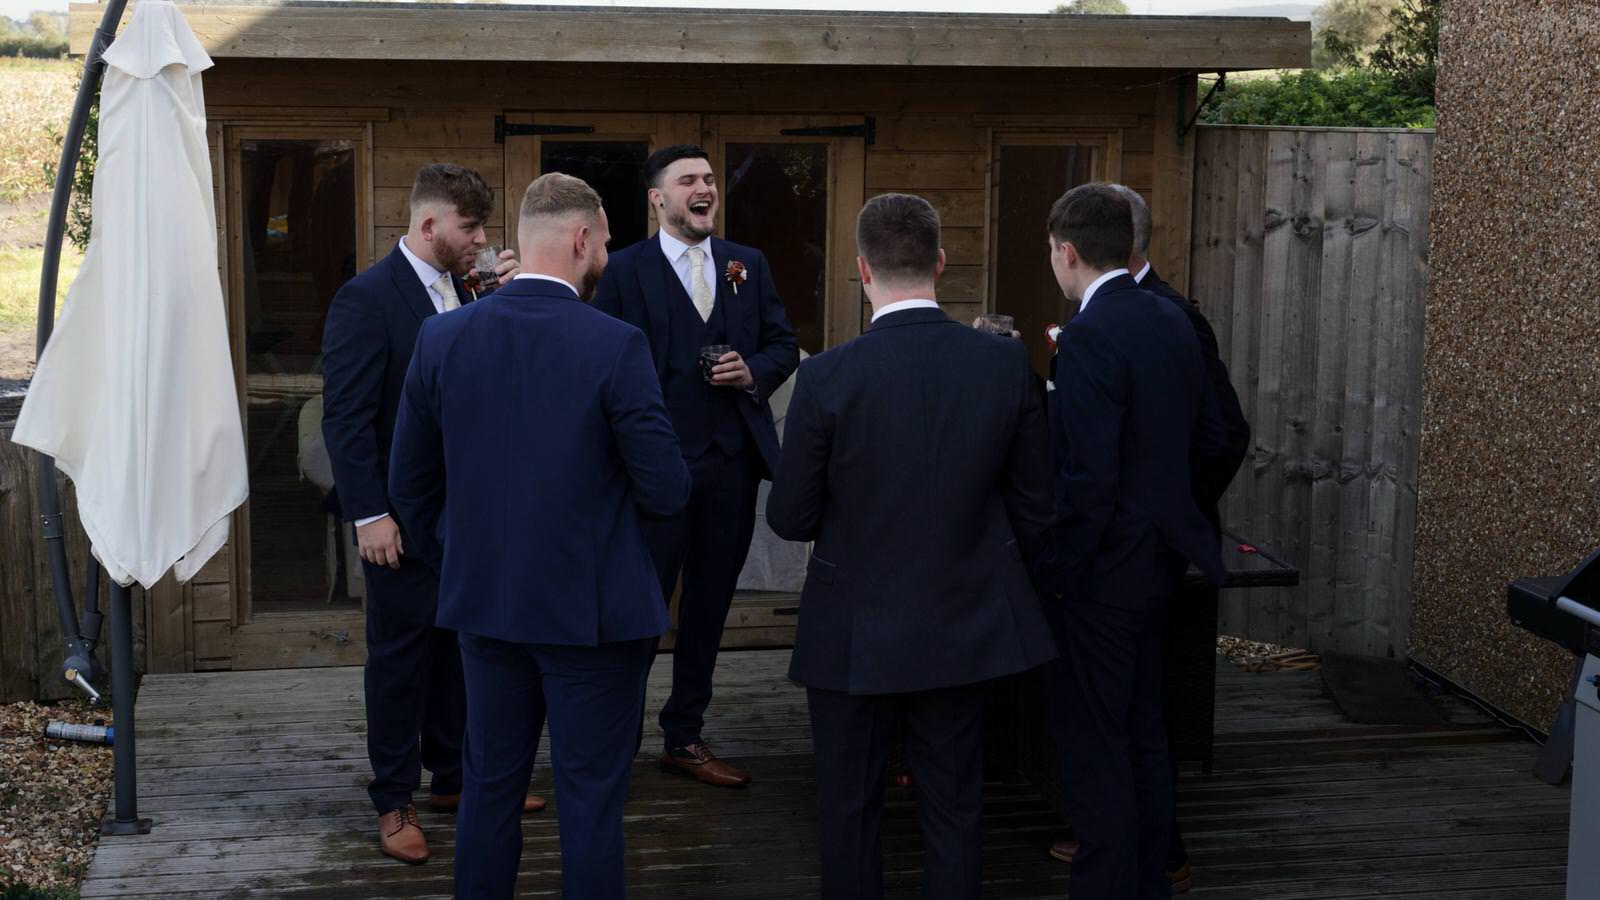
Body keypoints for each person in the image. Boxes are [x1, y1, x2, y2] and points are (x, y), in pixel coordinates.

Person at [388, 172, 691, 899]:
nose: (609, 257)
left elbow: (410, 485)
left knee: (489, 790)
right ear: (582, 239)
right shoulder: (617, 345)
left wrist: (463, 557)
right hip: (595, 618)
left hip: (486, 607)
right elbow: (666, 490)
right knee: (591, 803)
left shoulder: (441, 337)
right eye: (608, 242)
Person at [767, 192, 1057, 900]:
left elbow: (791, 516)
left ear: (862, 271)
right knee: (955, 808)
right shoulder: (1001, 365)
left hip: (851, 629)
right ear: (941, 262)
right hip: (964, 623)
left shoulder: (829, 375)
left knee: (848, 808)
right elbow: (1038, 506)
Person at [320, 163, 536, 865]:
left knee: (458, 654)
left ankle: (455, 779)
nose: (480, 240)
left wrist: (505, 302)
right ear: (429, 225)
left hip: (467, 516)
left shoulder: (469, 290)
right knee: (399, 663)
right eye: (470, 229)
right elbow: (347, 420)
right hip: (399, 522)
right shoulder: (366, 299)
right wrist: (369, 514)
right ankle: (393, 799)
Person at [1047, 186, 1251, 892]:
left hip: (1105, 569)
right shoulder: (1171, 318)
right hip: (1162, 559)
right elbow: (1209, 437)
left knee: (1096, 740)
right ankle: (1153, 872)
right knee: (1144, 726)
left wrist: (1061, 567)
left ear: (1066, 253)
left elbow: (1088, 475)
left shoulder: (1089, 335)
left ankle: (1106, 881)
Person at [592, 144, 799, 787]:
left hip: (731, 467)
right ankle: (612, 750)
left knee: (709, 609)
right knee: (640, 610)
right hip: (656, 473)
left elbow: (782, 343)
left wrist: (753, 372)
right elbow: (603, 359)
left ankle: (685, 736)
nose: (704, 188)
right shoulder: (623, 270)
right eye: (688, 180)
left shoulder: (747, 264)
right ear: (658, 198)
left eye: (709, 178)